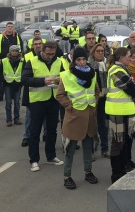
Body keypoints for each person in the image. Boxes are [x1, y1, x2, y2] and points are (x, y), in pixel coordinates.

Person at [55, 47, 99, 189]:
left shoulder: (92, 74)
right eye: (78, 60)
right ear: (74, 61)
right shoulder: (67, 76)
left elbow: (96, 91)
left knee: (88, 147)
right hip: (74, 117)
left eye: (84, 59)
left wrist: (94, 102)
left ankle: (88, 172)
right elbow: (59, 95)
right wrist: (69, 106)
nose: (81, 62)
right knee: (70, 149)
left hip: (89, 116)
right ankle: (67, 176)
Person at [22, 41, 65, 172]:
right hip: (37, 101)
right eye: (48, 54)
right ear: (42, 51)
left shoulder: (58, 61)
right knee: (35, 131)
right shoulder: (32, 61)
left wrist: (60, 78)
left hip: (53, 99)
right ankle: (34, 160)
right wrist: (42, 81)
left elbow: (65, 76)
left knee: (52, 130)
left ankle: (51, 156)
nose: (51, 56)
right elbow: (25, 79)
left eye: (53, 53)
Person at [106, 47, 135, 183]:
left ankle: (122, 169)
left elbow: (132, 87)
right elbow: (131, 89)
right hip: (117, 111)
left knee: (122, 142)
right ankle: (116, 174)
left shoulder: (122, 69)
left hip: (122, 110)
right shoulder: (116, 70)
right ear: (121, 57)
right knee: (117, 143)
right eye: (129, 56)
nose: (130, 59)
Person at [0, 22, 23, 102]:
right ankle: (0, 95)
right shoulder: (1, 36)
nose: (10, 28)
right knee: (1, 78)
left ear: (13, 28)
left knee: (13, 78)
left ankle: (13, 94)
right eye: (8, 26)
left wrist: (20, 57)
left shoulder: (17, 36)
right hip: (2, 60)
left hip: (14, 60)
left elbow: (21, 46)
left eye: (11, 26)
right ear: (6, 27)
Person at [89, 43, 109, 157]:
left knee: (103, 124)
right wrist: (96, 93)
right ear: (93, 52)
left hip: (104, 97)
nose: (101, 53)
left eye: (102, 51)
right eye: (98, 51)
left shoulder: (107, 64)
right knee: (92, 126)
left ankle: (104, 149)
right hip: (92, 98)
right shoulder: (89, 65)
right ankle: (91, 151)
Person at [1, 45, 24, 127]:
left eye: (16, 51)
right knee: (8, 103)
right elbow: (0, 72)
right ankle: (9, 120)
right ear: (10, 52)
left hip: (18, 84)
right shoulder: (4, 61)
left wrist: (21, 82)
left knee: (17, 103)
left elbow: (24, 72)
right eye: (13, 51)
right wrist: (3, 81)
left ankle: (16, 119)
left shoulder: (22, 61)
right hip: (8, 84)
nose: (14, 52)